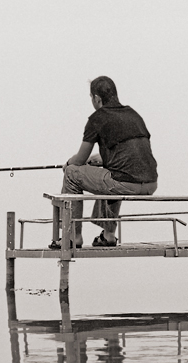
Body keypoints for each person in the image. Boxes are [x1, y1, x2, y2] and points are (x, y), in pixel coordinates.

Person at [49, 76, 158, 249]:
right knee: (113, 173)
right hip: (150, 183)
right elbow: (134, 153)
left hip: (125, 183)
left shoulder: (97, 119)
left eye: (91, 98)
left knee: (72, 174)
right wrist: (102, 159)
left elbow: (79, 161)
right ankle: (108, 235)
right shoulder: (133, 115)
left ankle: (72, 236)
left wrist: (68, 163)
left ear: (97, 98)